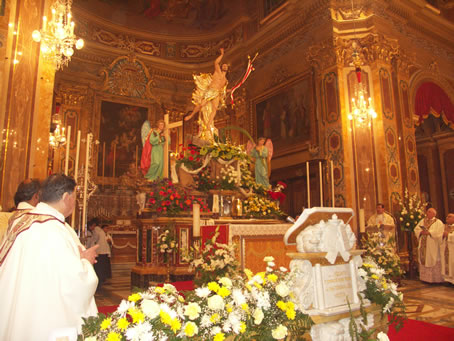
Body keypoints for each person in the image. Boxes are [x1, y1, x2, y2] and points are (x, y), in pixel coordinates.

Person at [0, 174, 99, 340]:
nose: (75, 202)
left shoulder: (22, 220)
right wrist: (85, 262)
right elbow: (75, 282)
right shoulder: (53, 229)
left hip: (20, 304)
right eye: (75, 197)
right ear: (66, 197)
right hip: (45, 314)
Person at [184, 47, 229, 142]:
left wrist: (229, 91)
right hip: (211, 90)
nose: (224, 67)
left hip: (217, 93)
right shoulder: (218, 72)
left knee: (215, 109)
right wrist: (222, 54)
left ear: (228, 69)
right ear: (221, 67)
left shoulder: (225, 80)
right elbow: (216, 63)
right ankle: (191, 115)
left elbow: (222, 90)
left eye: (226, 66)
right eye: (224, 65)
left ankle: (209, 124)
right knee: (201, 104)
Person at [414, 207, 445, 283]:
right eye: (427, 212)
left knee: (432, 258)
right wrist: (421, 232)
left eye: (429, 212)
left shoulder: (438, 222)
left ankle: (435, 279)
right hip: (423, 245)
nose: (427, 213)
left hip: (433, 245)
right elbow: (416, 229)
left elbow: (440, 232)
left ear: (434, 214)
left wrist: (430, 233)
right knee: (424, 259)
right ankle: (425, 279)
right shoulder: (422, 221)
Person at [87, 218, 111, 288]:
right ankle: (100, 280)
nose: (93, 227)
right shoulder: (100, 231)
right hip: (102, 251)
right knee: (100, 268)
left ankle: (99, 282)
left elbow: (94, 240)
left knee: (98, 268)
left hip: (99, 252)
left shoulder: (96, 230)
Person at [441, 213, 454, 282]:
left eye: (449, 217)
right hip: (445, 248)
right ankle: (447, 280)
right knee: (446, 263)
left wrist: (448, 235)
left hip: (452, 249)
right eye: (447, 216)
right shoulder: (443, 226)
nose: (447, 218)